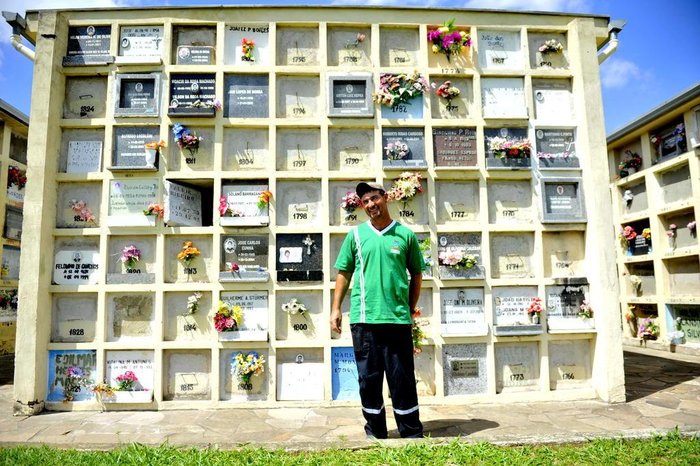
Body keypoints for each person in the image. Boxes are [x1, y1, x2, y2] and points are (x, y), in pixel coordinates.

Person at [331, 181, 424, 439]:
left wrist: (410, 308)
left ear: (385, 198)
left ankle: (411, 431)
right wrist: (335, 308)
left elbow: (417, 274)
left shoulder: (405, 235)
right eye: (365, 201)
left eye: (374, 198)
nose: (371, 204)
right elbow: (344, 273)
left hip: (396, 319)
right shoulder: (356, 236)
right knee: (368, 380)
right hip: (364, 319)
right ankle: (375, 431)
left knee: (402, 378)